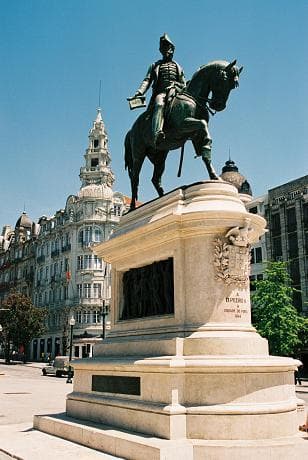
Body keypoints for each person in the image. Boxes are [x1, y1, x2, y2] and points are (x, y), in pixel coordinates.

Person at [131, 33, 186, 146]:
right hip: (161, 93)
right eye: (165, 48)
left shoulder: (178, 66)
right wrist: (139, 92)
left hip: (175, 93)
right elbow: (147, 80)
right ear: (161, 50)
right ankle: (157, 133)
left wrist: (177, 86)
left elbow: (183, 84)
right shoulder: (155, 65)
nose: (168, 51)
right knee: (159, 104)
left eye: (169, 48)